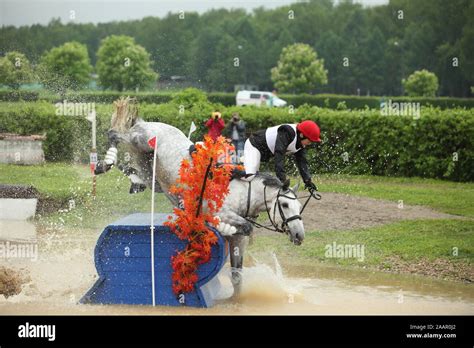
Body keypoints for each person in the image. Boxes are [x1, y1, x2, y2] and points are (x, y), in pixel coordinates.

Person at [242, 120, 321, 191]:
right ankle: (231, 174)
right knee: (250, 176)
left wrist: (308, 181)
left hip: (262, 153)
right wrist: (282, 180)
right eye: (309, 141)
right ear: (301, 135)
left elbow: (302, 162)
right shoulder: (287, 132)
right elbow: (279, 155)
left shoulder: (300, 143)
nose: (309, 143)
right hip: (254, 146)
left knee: (256, 180)